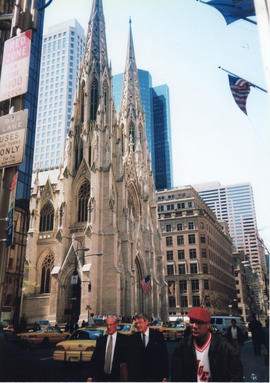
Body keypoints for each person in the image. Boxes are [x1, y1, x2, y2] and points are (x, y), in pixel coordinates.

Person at [171, 307, 243, 382]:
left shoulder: (225, 347)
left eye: (199, 322)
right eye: (192, 322)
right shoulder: (181, 347)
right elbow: (177, 377)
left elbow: (236, 375)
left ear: (208, 325)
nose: (194, 326)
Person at [127, 313, 168, 382]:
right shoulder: (132, 338)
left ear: (146, 322)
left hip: (155, 377)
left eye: (140, 323)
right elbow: (130, 361)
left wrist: (164, 376)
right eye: (136, 323)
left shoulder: (158, 336)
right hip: (138, 378)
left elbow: (164, 357)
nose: (138, 325)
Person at [87, 315, 128, 382]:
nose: (109, 327)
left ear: (116, 325)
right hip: (101, 378)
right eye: (107, 325)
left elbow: (127, 360)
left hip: (117, 378)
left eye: (111, 325)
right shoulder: (101, 340)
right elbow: (94, 359)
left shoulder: (124, 340)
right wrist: (90, 376)